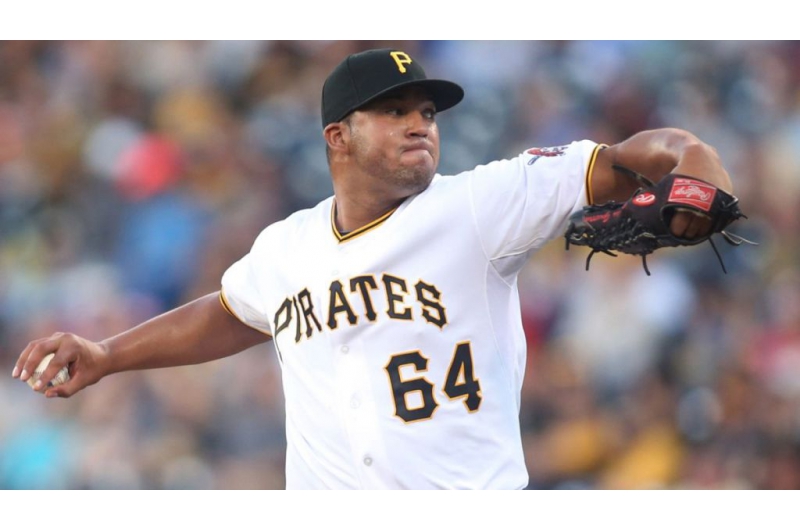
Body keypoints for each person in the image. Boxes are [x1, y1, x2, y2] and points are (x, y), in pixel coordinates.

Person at [13, 47, 733, 489]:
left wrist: (698, 168)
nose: (420, 122)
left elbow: (647, 151)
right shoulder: (287, 245)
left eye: (426, 109)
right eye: (393, 111)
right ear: (338, 136)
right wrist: (109, 353)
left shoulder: (481, 204)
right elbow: (230, 312)